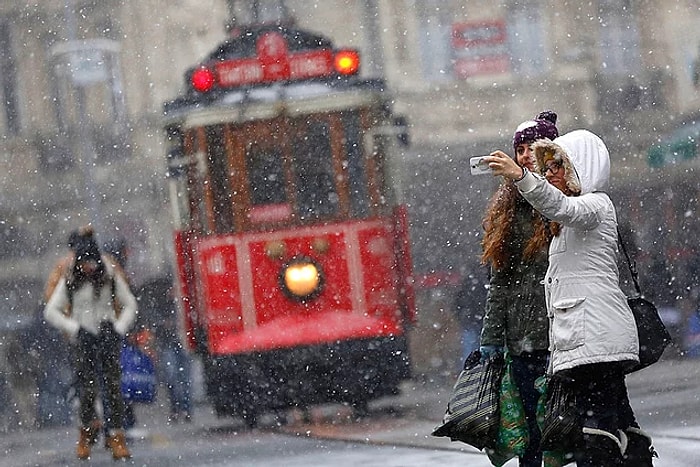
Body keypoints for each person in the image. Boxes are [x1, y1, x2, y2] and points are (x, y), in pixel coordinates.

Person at [485, 130, 657, 466]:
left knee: (595, 433)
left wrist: (521, 176)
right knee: (604, 424)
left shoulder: (594, 205)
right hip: (583, 342)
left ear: (579, 168)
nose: (548, 175)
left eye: (555, 167)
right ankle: (632, 451)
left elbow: (560, 206)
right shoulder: (570, 218)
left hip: (596, 341)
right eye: (545, 169)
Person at [479, 111, 558, 467]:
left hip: (561, 339)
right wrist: (491, 342)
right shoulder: (506, 212)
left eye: (533, 148)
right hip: (523, 342)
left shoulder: (565, 203)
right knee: (530, 439)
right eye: (520, 149)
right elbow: (499, 285)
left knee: (567, 431)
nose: (525, 156)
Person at [44, 226, 137, 460]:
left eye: (92, 263)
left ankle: (115, 434)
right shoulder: (69, 279)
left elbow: (129, 304)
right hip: (82, 340)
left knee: (113, 388)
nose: (89, 268)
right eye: (85, 263)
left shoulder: (109, 275)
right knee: (86, 389)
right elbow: (51, 308)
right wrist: (75, 328)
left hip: (107, 337)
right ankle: (87, 431)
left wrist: (117, 328)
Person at [453, 266, 488, 364]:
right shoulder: (483, 284)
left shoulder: (467, 284)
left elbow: (457, 302)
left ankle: (468, 369)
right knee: (480, 345)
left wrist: (461, 315)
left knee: (469, 347)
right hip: (480, 320)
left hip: (469, 320)